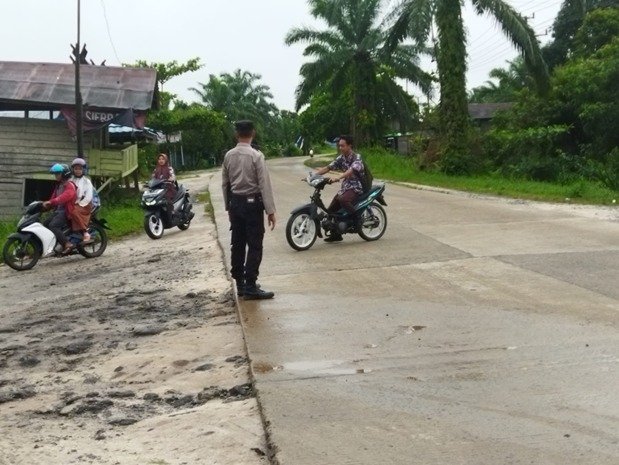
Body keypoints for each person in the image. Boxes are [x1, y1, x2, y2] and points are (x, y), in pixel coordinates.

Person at [222, 120, 276, 300]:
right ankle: (251, 283)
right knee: (254, 244)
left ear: (237, 134)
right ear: (252, 133)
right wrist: (270, 210)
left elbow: (225, 184)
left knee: (237, 243)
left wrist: (228, 206)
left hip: (236, 203)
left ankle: (240, 284)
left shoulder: (228, 156)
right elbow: (264, 184)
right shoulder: (256, 156)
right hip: (253, 205)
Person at [314, 134, 365, 242]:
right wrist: (314, 176)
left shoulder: (357, 157)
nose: (340, 148)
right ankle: (336, 234)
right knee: (331, 210)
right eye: (339, 146)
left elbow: (351, 170)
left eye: (342, 146)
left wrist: (338, 177)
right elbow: (328, 167)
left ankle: (357, 219)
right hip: (346, 187)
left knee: (343, 200)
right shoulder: (341, 158)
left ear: (349, 146)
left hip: (356, 186)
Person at [42, 163, 77, 253]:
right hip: (58, 211)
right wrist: (44, 204)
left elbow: (64, 197)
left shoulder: (70, 185)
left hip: (66, 211)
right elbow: (53, 198)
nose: (56, 176)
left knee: (53, 225)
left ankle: (66, 243)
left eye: (58, 174)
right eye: (55, 174)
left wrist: (52, 202)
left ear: (65, 174)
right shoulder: (59, 186)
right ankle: (53, 244)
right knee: (44, 224)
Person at [70, 157, 94, 243]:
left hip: (85, 204)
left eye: (80, 169)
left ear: (83, 170)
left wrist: (79, 204)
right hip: (73, 203)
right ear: (73, 169)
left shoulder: (86, 181)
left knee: (73, 211)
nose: (78, 171)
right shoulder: (71, 180)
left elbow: (88, 197)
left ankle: (85, 232)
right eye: (76, 169)